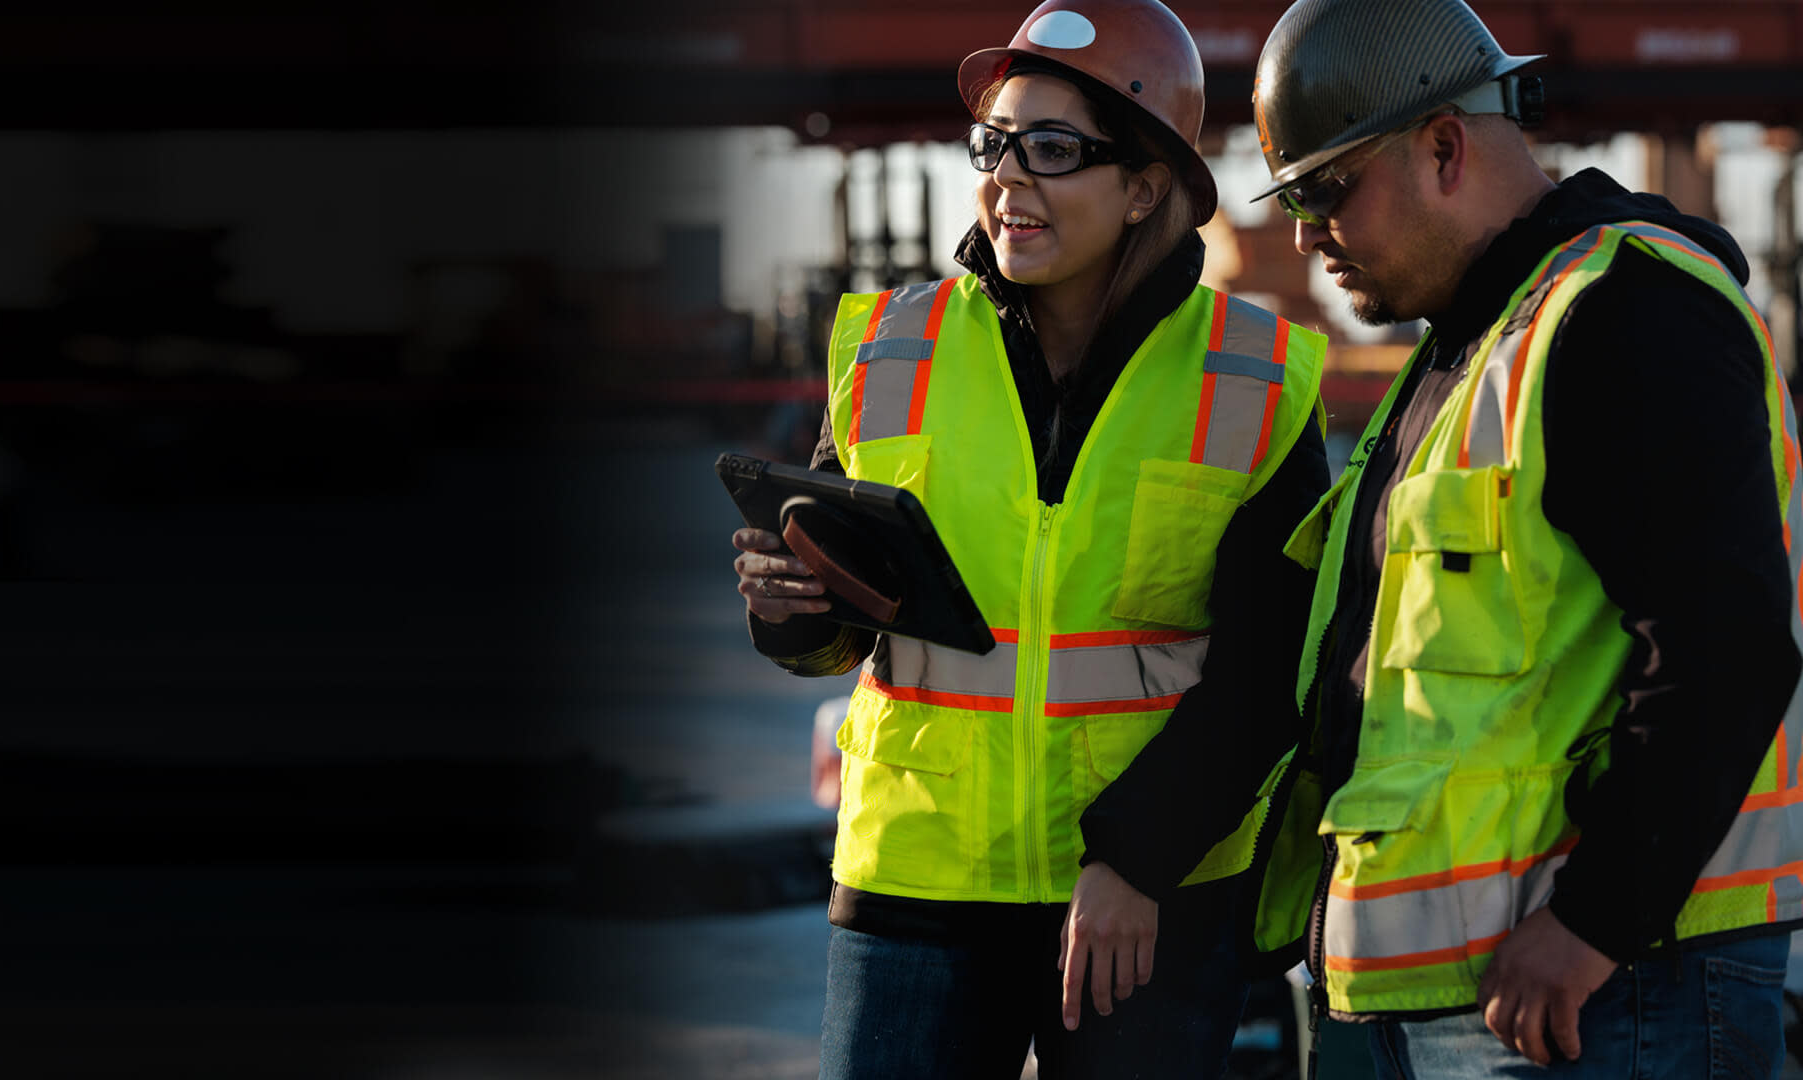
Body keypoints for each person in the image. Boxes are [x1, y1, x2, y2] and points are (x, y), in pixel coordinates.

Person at [729, 0, 1330, 1075]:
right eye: (994, 145)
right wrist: (790, 615)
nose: (1008, 178)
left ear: (1147, 183)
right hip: (916, 877)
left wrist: (1136, 861)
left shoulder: (1258, 377)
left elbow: (1269, 672)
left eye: (1052, 149)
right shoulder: (886, 352)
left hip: (1151, 898)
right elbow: (844, 625)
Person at [1247, 0, 1803, 1076]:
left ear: (1445, 145)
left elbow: (1721, 651)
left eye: (1323, 190)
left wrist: (1595, 923)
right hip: (1445, 999)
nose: (1307, 236)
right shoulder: (1469, 347)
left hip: (1593, 1001)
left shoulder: (1625, 311)